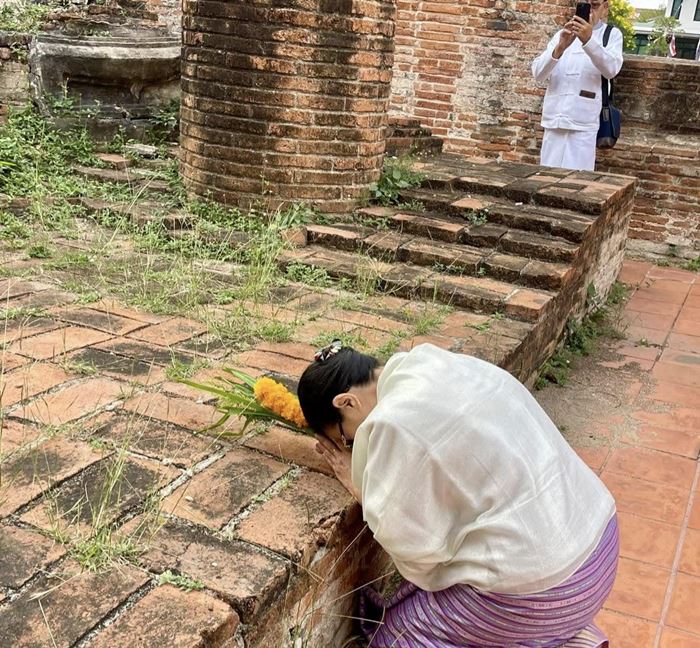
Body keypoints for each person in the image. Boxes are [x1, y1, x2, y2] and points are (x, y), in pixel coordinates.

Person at [298, 341, 618, 648]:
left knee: (399, 634)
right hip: (599, 546)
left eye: (346, 439)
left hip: (549, 591)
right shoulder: (433, 363)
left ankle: (550, 630)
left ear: (346, 402)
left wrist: (360, 488)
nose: (351, 447)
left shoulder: (392, 420)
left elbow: (414, 546)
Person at [531, 0, 623, 171]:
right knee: (546, 179)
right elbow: (538, 73)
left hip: (583, 124)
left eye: (594, 6)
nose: (589, 11)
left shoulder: (611, 35)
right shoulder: (563, 34)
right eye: (584, 5)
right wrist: (560, 47)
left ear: (605, 7)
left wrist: (589, 41)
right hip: (555, 120)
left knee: (576, 182)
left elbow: (611, 70)